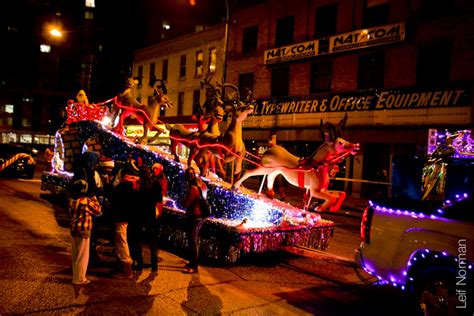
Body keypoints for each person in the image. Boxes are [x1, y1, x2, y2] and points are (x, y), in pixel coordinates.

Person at [129, 162, 168, 272]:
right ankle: (154, 263)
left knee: (139, 239)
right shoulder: (155, 183)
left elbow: (135, 199)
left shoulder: (138, 184)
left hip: (139, 214)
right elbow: (159, 199)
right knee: (152, 239)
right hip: (150, 213)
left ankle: (139, 262)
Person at [110, 158, 140, 279]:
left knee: (121, 242)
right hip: (125, 218)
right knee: (121, 241)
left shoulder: (122, 189)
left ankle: (126, 268)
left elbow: (115, 201)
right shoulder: (133, 189)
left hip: (120, 218)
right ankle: (122, 265)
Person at [68, 179, 102, 285]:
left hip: (74, 229)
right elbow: (98, 211)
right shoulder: (86, 201)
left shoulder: (71, 200)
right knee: (83, 256)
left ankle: (75, 276)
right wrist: (95, 198)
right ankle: (79, 279)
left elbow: (70, 214)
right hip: (84, 230)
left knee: (75, 255)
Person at [182, 167, 208, 274]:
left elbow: (185, 203)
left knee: (193, 241)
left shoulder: (193, 188)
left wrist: (184, 199)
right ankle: (192, 262)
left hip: (194, 215)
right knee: (193, 240)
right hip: (200, 216)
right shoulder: (203, 185)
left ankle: (194, 266)